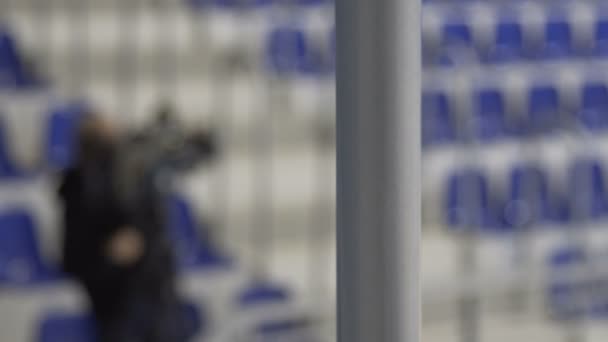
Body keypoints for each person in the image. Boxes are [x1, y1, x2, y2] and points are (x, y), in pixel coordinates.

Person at [58, 114, 185, 342]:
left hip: (151, 291)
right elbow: (74, 257)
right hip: (112, 297)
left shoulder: (135, 181)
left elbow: (151, 232)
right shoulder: (79, 187)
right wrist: (110, 256)